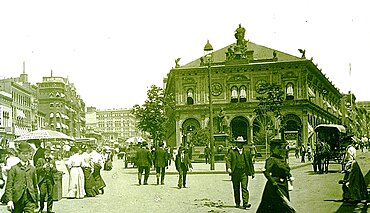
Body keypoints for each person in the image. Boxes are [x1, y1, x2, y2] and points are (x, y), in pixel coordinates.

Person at [256, 139, 296, 213]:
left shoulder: (282, 159)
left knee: (284, 203)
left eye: (281, 148)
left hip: (283, 184)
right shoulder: (271, 160)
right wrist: (273, 182)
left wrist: (289, 176)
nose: (281, 150)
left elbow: (285, 170)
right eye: (278, 148)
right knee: (275, 204)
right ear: (273, 149)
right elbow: (266, 172)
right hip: (274, 186)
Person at [4, 141, 38, 213]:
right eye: (23, 154)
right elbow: (9, 186)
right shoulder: (14, 168)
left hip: (29, 199)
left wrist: (36, 201)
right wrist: (9, 200)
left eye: (27, 154)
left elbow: (35, 186)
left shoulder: (32, 169)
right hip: (17, 199)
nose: (25, 156)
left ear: (29, 155)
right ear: (19, 155)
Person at [226, 136, 255, 209]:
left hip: (244, 172)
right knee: (236, 188)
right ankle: (237, 202)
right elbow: (228, 160)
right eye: (239, 143)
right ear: (236, 143)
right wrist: (229, 168)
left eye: (241, 143)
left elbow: (250, 162)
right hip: (235, 172)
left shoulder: (247, 151)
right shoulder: (232, 151)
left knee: (244, 187)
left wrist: (252, 172)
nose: (240, 144)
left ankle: (245, 203)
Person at [339, 137, 368, 203]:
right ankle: (348, 196)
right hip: (354, 165)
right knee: (354, 181)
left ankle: (354, 197)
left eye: (345, 142)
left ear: (348, 142)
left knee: (350, 182)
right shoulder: (352, 148)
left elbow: (350, 159)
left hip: (351, 166)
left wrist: (346, 168)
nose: (344, 144)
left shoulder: (349, 149)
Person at [36, 146, 58, 213]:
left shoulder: (52, 160)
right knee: (42, 194)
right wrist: (42, 167)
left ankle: (49, 209)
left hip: (50, 179)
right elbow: (36, 169)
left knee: (50, 195)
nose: (47, 153)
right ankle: (41, 208)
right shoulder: (40, 160)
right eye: (46, 152)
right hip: (42, 179)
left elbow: (55, 170)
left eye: (49, 152)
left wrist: (52, 168)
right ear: (44, 152)